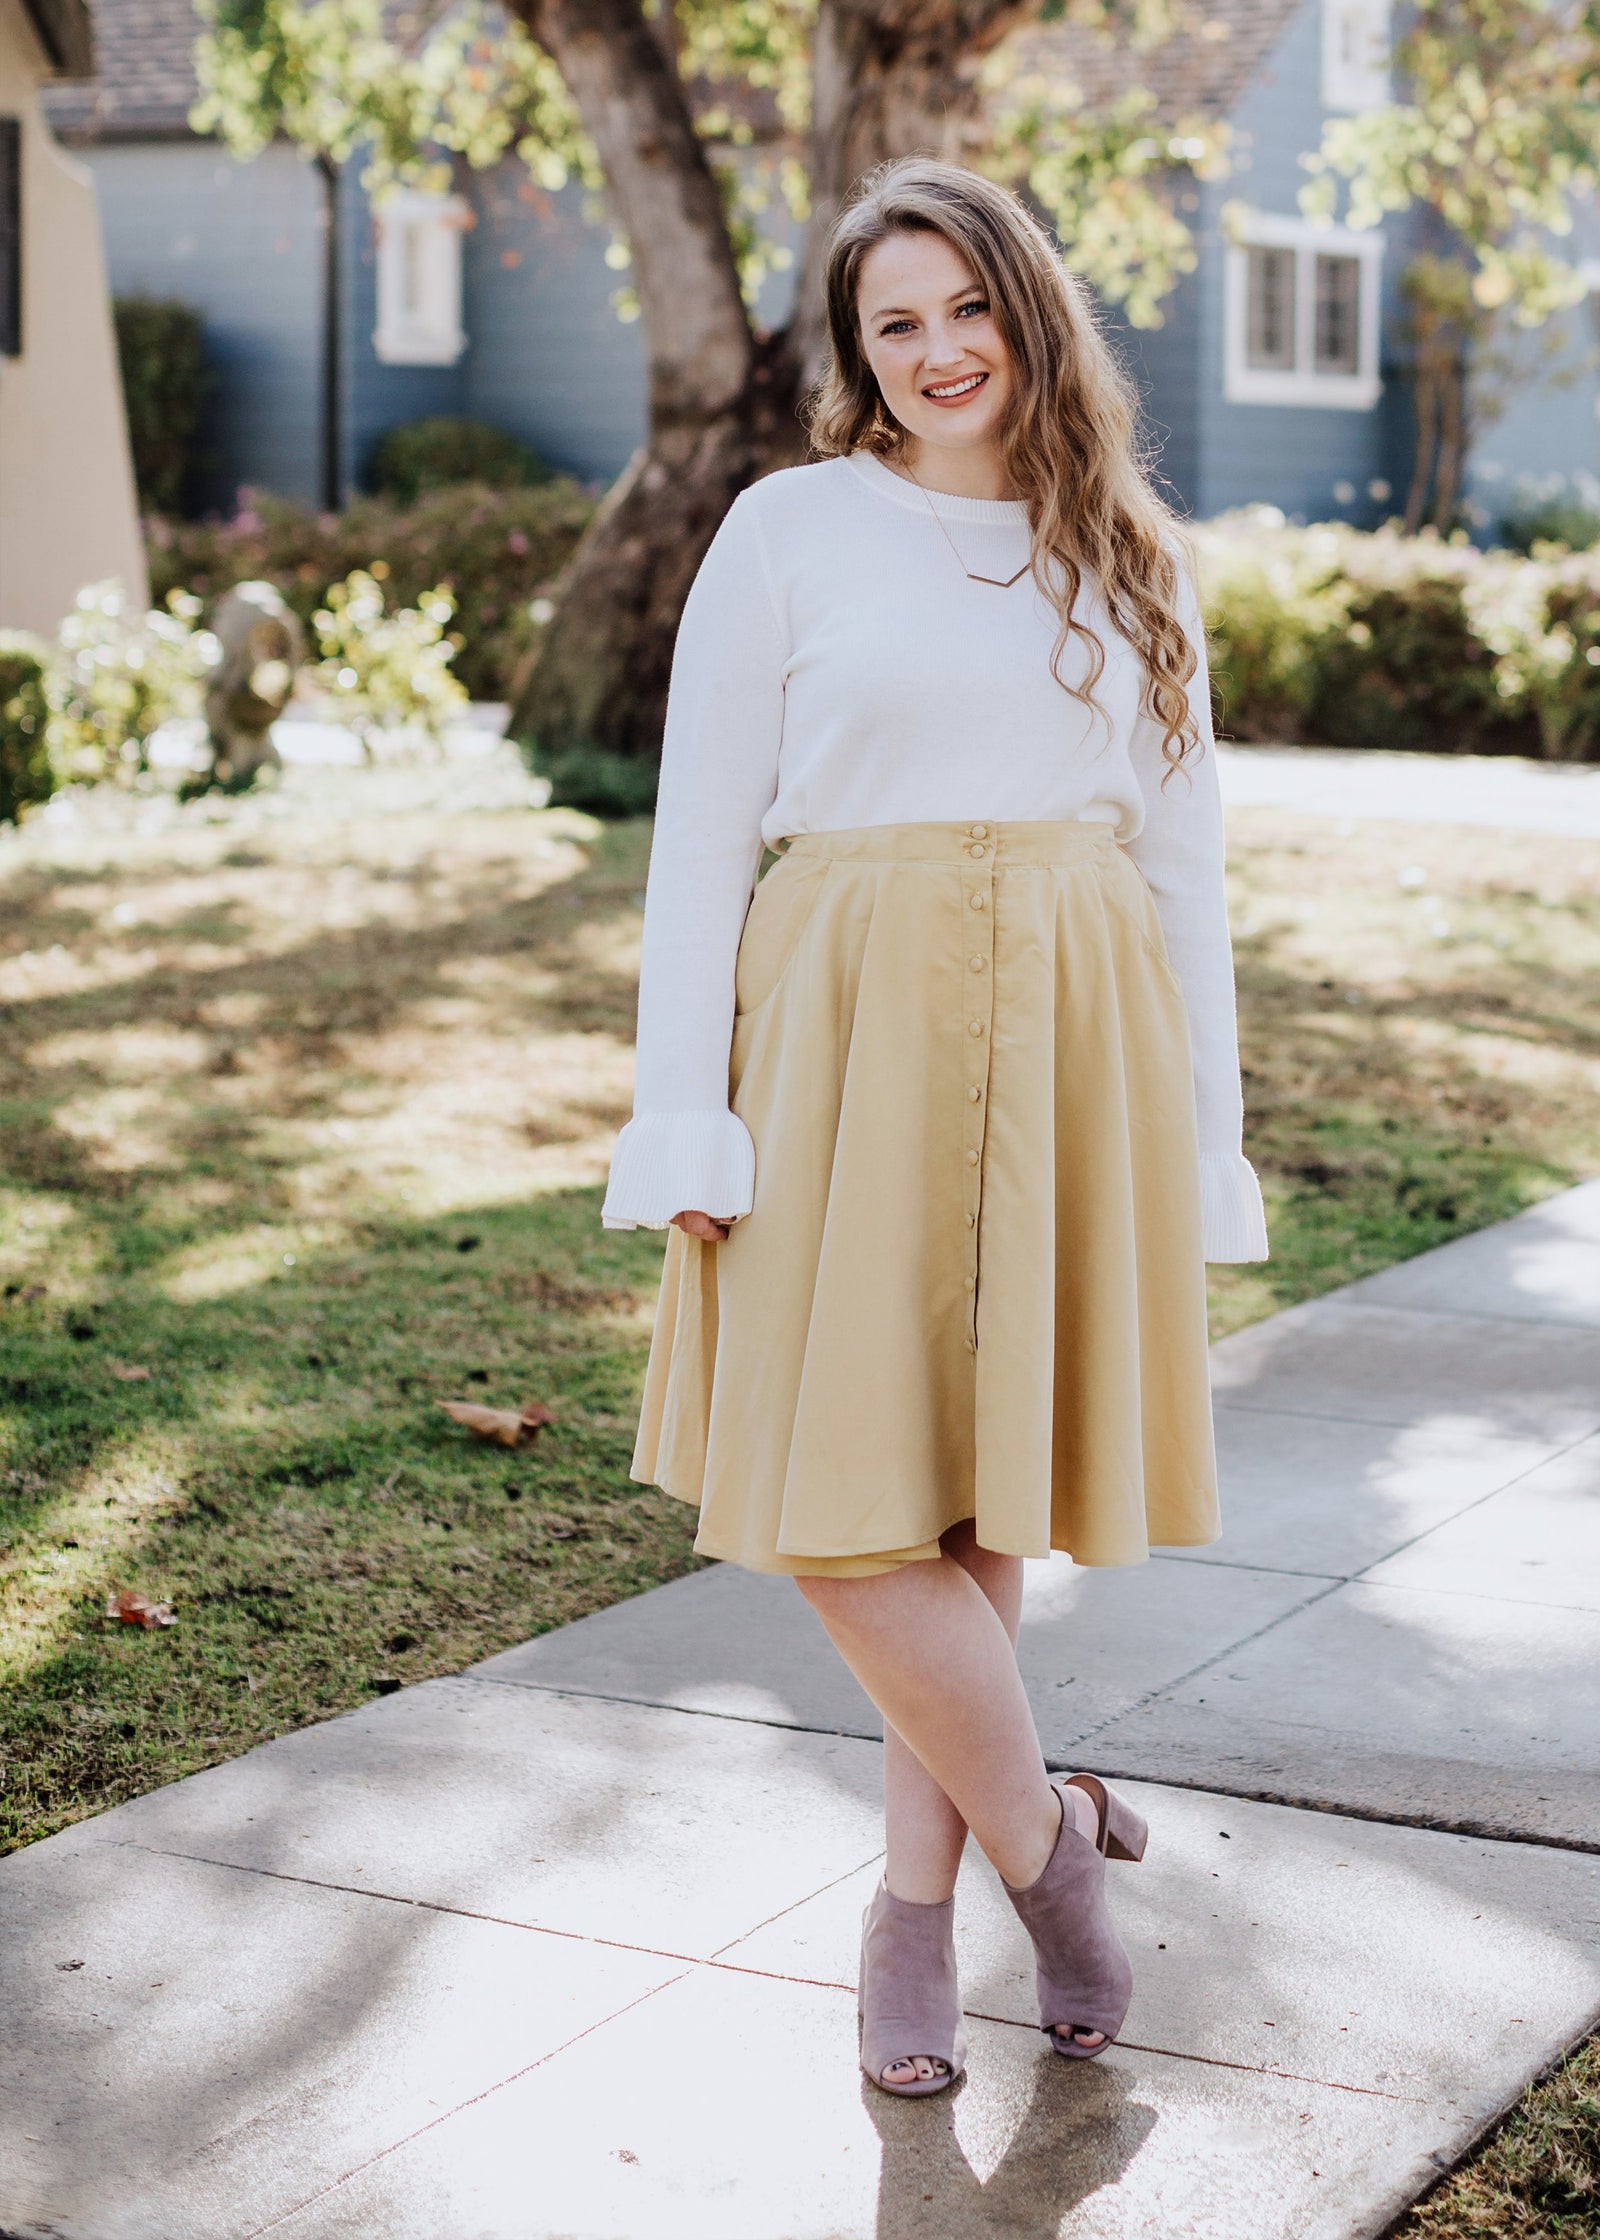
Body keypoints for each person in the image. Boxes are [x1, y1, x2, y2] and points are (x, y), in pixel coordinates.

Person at [601, 156, 1268, 2097]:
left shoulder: (1126, 554)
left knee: (967, 1504)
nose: (933, 350)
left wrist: (1201, 1140)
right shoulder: (789, 527)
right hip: (831, 1023)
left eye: (960, 306)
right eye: (890, 324)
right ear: (853, 358)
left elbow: (1181, 872)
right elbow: (699, 840)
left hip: (1072, 1016)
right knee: (837, 1504)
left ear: (1024, 308)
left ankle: (910, 1917)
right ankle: (1049, 1852)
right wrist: (681, 1112)